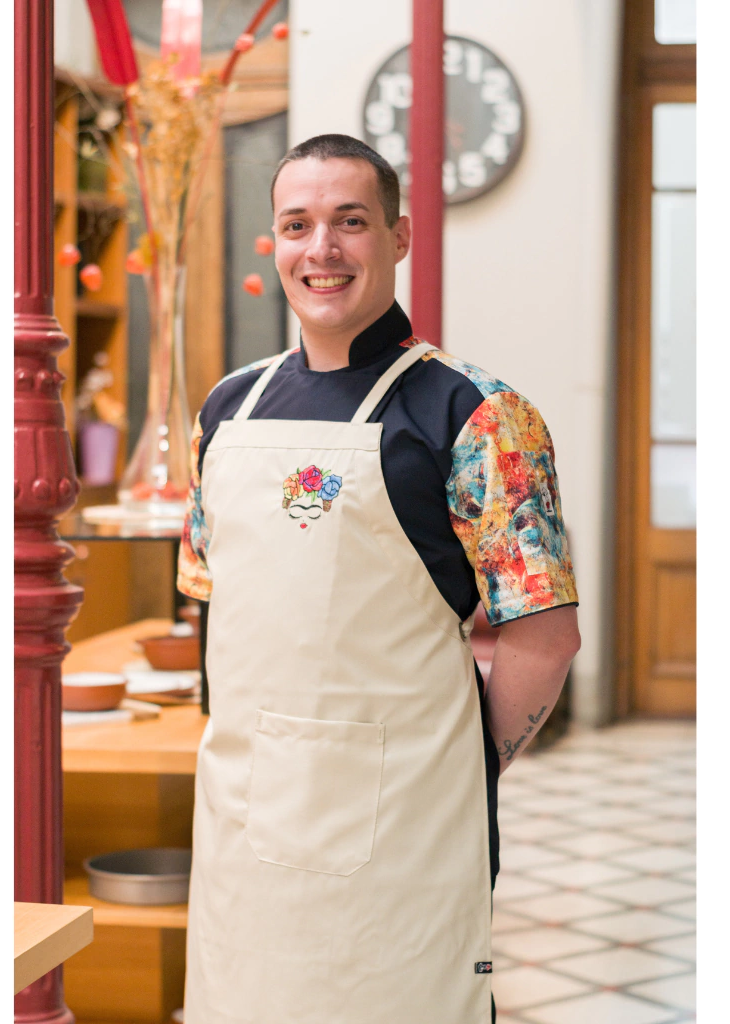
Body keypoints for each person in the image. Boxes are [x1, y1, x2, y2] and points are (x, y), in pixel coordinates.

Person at [177, 134, 580, 1024]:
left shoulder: (479, 415)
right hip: (242, 818)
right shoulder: (225, 411)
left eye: (349, 222)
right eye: (297, 224)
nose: (320, 248)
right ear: (274, 243)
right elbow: (209, 597)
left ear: (399, 237)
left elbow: (545, 638)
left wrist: (466, 770)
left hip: (405, 826)